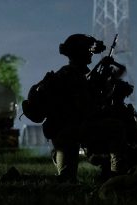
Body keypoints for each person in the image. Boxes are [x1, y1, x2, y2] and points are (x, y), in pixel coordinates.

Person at [41, 34, 105, 183]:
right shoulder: (72, 76)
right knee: (115, 128)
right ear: (80, 53)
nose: (91, 53)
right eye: (88, 50)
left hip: (63, 134)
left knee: (67, 179)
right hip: (68, 133)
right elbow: (86, 109)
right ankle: (115, 174)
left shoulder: (69, 73)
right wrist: (100, 91)